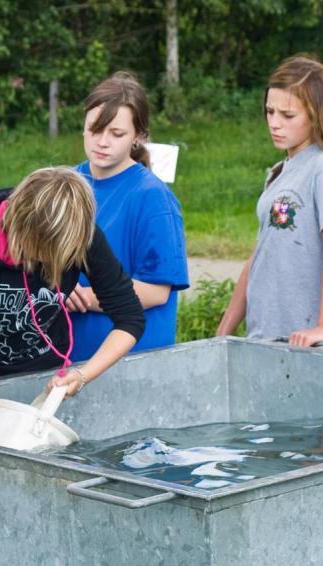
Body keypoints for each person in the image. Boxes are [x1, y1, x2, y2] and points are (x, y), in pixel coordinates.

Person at [0, 166, 145, 443]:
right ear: (20, 228)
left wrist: (82, 375)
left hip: (35, 365)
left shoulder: (80, 235)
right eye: (37, 256)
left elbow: (130, 318)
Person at [216, 56, 323, 349]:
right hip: (265, 335)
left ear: (316, 114)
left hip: (306, 344)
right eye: (269, 112)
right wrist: (226, 327)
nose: (274, 123)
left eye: (287, 115)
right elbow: (261, 255)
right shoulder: (278, 173)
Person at [67, 72, 189, 361]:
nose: (103, 142)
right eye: (95, 129)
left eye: (117, 133)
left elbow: (156, 291)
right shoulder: (66, 183)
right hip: (67, 358)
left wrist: (82, 298)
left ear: (138, 137)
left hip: (132, 362)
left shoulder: (153, 197)